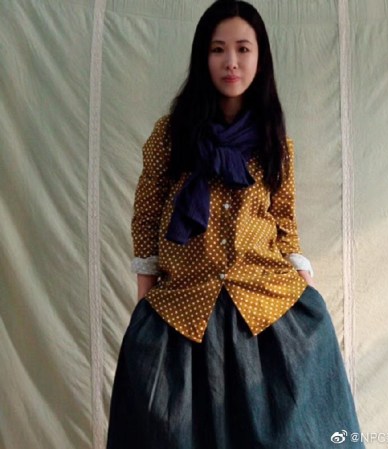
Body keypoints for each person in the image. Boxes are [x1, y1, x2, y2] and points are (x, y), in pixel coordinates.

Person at [106, 1, 364, 448]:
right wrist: (145, 303)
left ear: (260, 58)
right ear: (202, 57)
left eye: (243, 49)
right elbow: (146, 218)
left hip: (263, 304)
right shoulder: (171, 135)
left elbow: (284, 220)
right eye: (218, 49)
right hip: (184, 308)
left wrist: (301, 286)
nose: (231, 61)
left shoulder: (273, 141)